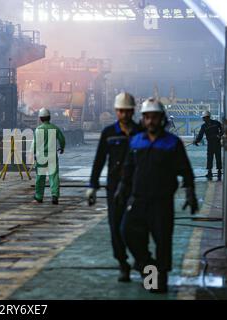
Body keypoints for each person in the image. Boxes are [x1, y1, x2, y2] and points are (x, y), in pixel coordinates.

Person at [116, 98, 199, 293]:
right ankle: (146, 264)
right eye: (147, 117)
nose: (151, 121)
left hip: (161, 203)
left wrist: (190, 193)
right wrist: (121, 187)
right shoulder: (136, 141)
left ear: (161, 119)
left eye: (154, 117)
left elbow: (186, 171)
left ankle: (157, 279)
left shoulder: (172, 143)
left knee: (162, 241)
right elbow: (128, 168)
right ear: (143, 119)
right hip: (138, 200)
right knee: (127, 231)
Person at [87, 92, 143, 282]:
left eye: (127, 111)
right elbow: (99, 160)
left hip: (137, 188)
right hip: (114, 189)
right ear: (116, 111)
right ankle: (123, 264)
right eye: (121, 111)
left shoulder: (141, 132)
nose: (124, 115)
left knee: (138, 228)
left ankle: (142, 262)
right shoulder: (108, 133)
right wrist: (92, 185)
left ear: (133, 111)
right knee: (115, 228)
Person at [33, 108, 66, 205]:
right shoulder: (55, 128)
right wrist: (62, 148)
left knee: (40, 177)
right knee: (54, 176)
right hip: (52, 155)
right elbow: (62, 139)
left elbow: (35, 143)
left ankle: (39, 197)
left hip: (41, 156)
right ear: (49, 117)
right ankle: (55, 196)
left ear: (40, 118)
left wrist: (33, 153)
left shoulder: (38, 130)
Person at [194, 111, 224, 181]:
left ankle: (218, 171)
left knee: (216, 156)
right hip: (211, 143)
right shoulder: (204, 126)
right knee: (211, 157)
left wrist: (219, 135)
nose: (203, 119)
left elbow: (223, 129)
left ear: (207, 117)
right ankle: (210, 171)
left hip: (216, 143)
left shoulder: (215, 123)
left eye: (204, 118)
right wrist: (196, 141)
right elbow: (200, 135)